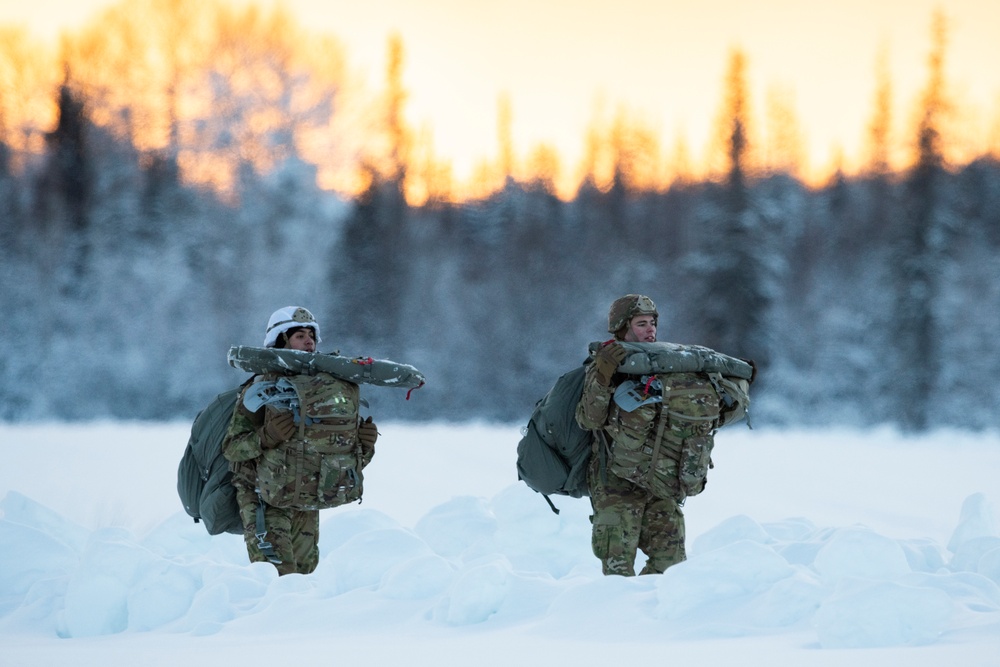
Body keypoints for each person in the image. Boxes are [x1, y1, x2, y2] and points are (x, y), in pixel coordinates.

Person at [221, 306, 379, 575]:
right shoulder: (261, 388)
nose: (309, 342)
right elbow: (232, 448)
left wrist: (365, 446)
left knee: (304, 579)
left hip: (304, 499)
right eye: (299, 336)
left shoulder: (327, 392)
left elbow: (338, 457)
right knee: (276, 576)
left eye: (311, 336)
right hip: (263, 498)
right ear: (280, 341)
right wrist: (266, 437)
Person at [575, 294, 716, 576]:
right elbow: (588, 419)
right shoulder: (604, 364)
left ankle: (651, 616)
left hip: (659, 478)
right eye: (641, 323)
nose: (650, 329)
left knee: (671, 565)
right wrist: (603, 377)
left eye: (652, 323)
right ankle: (616, 618)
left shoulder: (668, 363)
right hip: (615, 481)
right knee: (618, 570)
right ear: (622, 327)